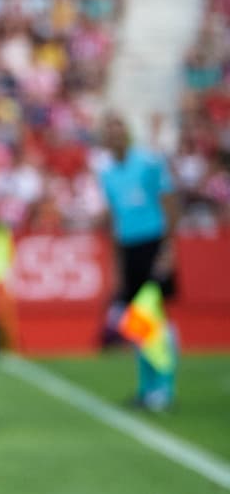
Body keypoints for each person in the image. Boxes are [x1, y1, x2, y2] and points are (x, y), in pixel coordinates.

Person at [96, 114, 180, 410]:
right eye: (110, 132)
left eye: (119, 130)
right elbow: (115, 219)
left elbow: (169, 202)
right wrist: (117, 266)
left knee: (154, 319)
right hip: (129, 249)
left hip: (152, 244)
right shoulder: (106, 173)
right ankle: (147, 388)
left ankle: (164, 388)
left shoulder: (147, 162)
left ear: (128, 134)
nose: (115, 136)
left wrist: (168, 249)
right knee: (137, 322)